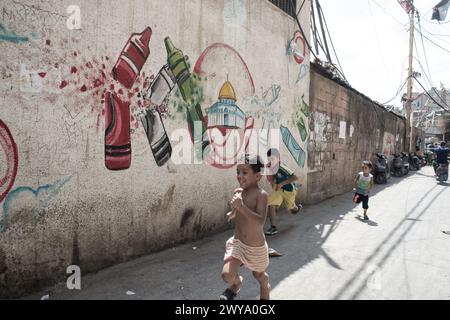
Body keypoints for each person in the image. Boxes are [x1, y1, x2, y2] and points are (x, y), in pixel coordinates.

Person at [220, 154, 270, 300]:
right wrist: (233, 212)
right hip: (238, 244)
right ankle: (237, 283)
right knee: (227, 275)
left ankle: (264, 283)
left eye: (245, 172)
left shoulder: (262, 195)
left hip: (255, 248)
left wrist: (241, 207)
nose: (240, 176)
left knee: (258, 274)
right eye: (238, 172)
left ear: (257, 176)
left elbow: (260, 222)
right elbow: (238, 209)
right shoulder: (239, 191)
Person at [264, 148, 301, 236]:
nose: (271, 161)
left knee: (292, 209)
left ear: (278, 158)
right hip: (279, 190)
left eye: (273, 159)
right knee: (271, 204)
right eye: (269, 159)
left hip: (289, 190)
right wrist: (274, 182)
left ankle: (297, 208)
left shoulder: (282, 167)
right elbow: (272, 178)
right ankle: (273, 227)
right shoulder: (269, 166)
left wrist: (281, 183)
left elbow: (295, 177)